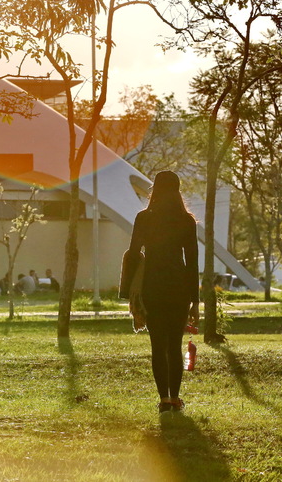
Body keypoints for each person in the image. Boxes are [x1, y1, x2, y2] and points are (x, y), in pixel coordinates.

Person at [119, 170, 200, 413]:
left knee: (157, 346)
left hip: (151, 286)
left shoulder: (144, 218)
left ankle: (164, 401)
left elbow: (134, 252)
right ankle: (175, 399)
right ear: (177, 191)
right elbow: (193, 261)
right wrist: (195, 300)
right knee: (174, 346)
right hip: (178, 287)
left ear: (155, 189)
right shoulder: (186, 221)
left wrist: (130, 292)